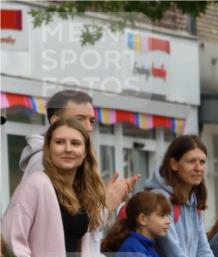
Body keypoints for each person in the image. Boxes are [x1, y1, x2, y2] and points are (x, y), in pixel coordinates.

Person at [2, 118, 117, 257]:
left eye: (75, 143)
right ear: (48, 149)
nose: (68, 149)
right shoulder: (36, 184)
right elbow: (11, 243)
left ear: (85, 152)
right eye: (59, 142)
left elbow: (85, 251)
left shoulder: (84, 192)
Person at [19, 89, 138, 217]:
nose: (88, 127)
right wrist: (106, 205)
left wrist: (106, 197)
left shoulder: (74, 160)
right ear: (55, 122)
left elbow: (75, 221)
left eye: (91, 121)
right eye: (79, 119)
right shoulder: (42, 161)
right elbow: (59, 223)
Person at [103, 191, 199, 257]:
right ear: (143, 219)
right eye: (162, 216)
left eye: (168, 216)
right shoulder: (132, 248)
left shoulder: (150, 250)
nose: (168, 221)